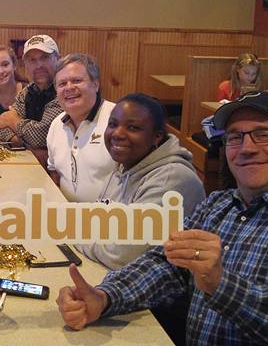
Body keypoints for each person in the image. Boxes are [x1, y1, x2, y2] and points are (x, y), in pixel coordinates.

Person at [56, 90, 268, 346]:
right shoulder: (219, 205)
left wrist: (221, 285)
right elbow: (165, 266)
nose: (247, 148)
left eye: (265, 134)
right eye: (236, 137)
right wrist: (105, 297)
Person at [76, 93, 206, 270]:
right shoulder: (125, 164)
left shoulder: (173, 180)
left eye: (133, 128)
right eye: (113, 124)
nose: (117, 134)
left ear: (157, 136)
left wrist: (74, 236)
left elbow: (122, 255)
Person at [46, 54, 117, 202]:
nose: (69, 88)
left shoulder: (117, 120)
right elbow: (54, 173)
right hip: (68, 218)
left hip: (111, 220)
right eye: (62, 84)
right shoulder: (56, 125)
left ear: (95, 85)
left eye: (77, 81)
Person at [0, 34, 63, 150]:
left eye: (45, 57)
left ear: (58, 59)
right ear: (26, 65)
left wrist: (12, 120)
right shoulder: (27, 92)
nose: (39, 65)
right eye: (32, 60)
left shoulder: (64, 90)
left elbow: (41, 136)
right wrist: (20, 141)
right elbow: (2, 129)